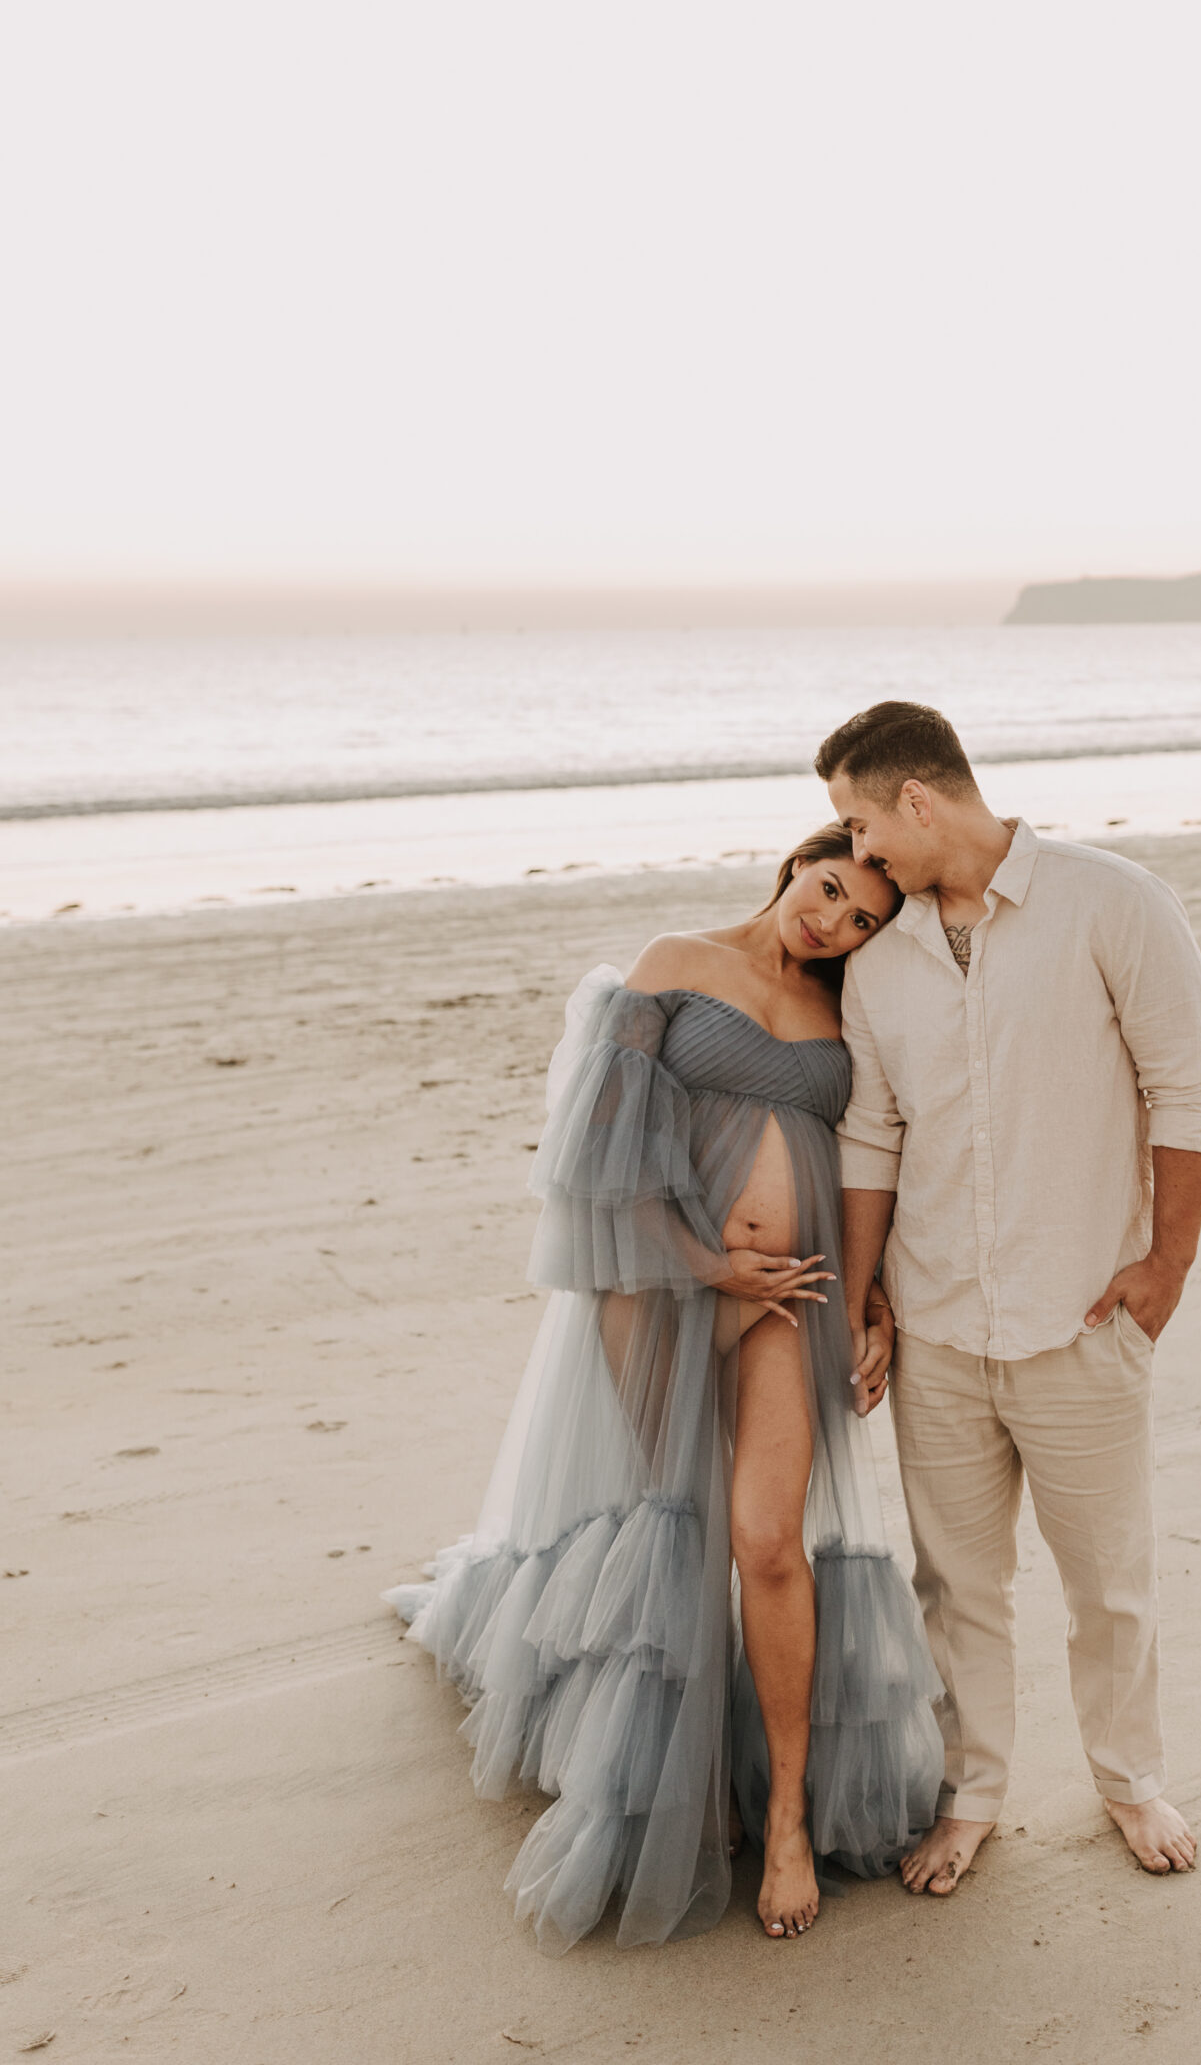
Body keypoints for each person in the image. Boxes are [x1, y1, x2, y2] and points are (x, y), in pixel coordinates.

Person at [388, 826, 943, 1946]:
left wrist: (874, 1296)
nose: (831, 921)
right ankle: (690, 1784)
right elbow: (598, 1157)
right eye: (828, 889)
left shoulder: (855, 1012)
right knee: (673, 1532)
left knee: (769, 1542)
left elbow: (878, 1157)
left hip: (792, 1293)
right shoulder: (676, 962)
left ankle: (785, 1813)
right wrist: (704, 1265)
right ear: (796, 865)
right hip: (660, 1285)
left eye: (860, 919)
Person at [820, 701, 1201, 1895]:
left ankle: (1128, 1778)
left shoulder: (1115, 903)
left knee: (1109, 1581)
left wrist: (1167, 1272)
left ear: (920, 801)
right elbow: (870, 1134)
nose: (855, 851)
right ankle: (975, 1793)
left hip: (1083, 1317)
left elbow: (1188, 1094)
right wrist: (866, 1294)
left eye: (859, 820)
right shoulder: (879, 958)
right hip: (938, 1326)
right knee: (957, 1586)